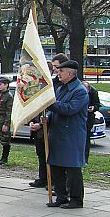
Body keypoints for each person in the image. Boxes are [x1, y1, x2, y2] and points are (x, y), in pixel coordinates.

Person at [45, 60, 88, 209]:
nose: (58, 73)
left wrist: (49, 104)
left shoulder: (80, 91)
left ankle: (76, 199)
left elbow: (70, 109)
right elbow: (55, 108)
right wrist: (47, 117)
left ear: (69, 74)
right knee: (56, 167)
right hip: (57, 134)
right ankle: (61, 196)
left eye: (61, 71)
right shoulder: (61, 89)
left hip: (71, 136)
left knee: (72, 169)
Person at [28, 53, 68, 188]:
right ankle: (44, 178)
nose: (55, 69)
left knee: (52, 155)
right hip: (41, 122)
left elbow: (55, 105)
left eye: (57, 67)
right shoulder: (51, 82)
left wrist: (43, 121)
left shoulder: (64, 85)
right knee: (41, 153)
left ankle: (56, 182)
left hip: (53, 125)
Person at [0, 76, 14, 165]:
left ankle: (4, 158)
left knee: (5, 140)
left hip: (3, 120)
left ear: (6, 85)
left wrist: (6, 124)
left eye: (0, 84)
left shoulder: (8, 96)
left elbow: (9, 111)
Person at [82, 81, 100, 164]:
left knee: (86, 138)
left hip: (89, 118)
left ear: (89, 89)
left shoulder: (93, 92)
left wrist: (93, 107)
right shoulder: (79, 91)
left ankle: (85, 159)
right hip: (80, 117)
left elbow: (97, 105)